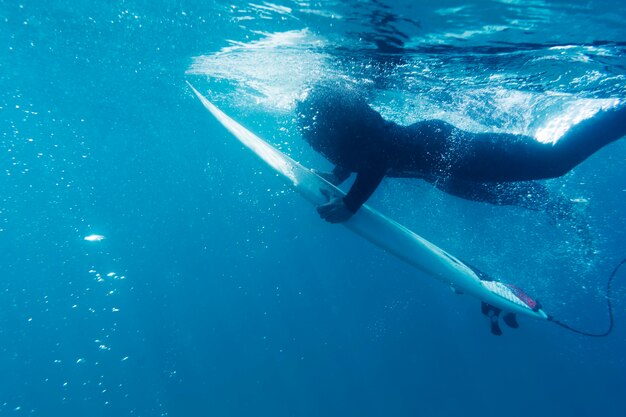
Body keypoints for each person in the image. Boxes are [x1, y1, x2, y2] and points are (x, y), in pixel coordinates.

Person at [295, 84, 626, 223]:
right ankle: (562, 207)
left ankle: (618, 112)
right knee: (500, 194)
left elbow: (378, 153)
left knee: (554, 162)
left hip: (445, 149)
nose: (297, 109)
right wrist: (338, 175)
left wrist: (351, 204)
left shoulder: (327, 108)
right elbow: (364, 147)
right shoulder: (329, 122)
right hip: (433, 168)